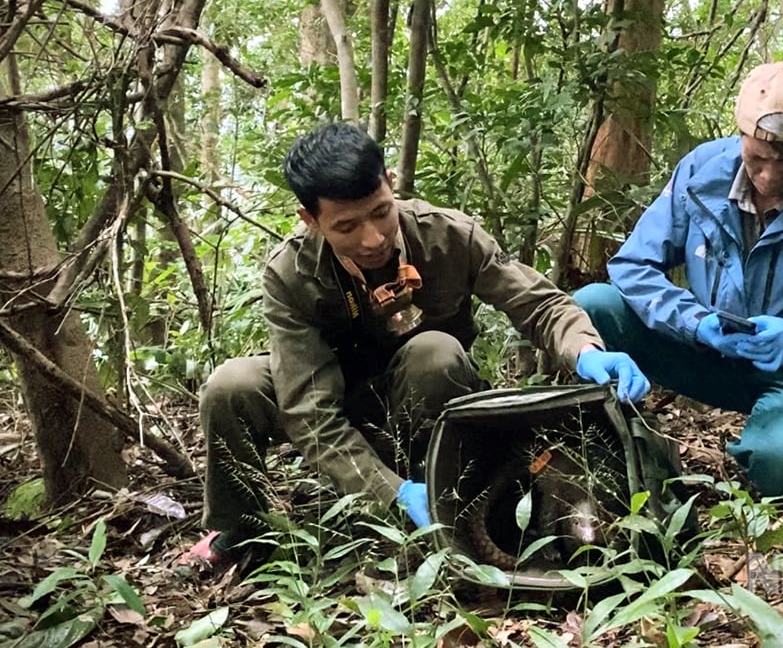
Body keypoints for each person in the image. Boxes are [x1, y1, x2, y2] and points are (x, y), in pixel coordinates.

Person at [182, 122, 650, 568]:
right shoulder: (290, 274)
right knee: (231, 385)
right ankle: (240, 530)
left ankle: (451, 498)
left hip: (427, 398)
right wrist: (389, 491)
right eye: (346, 226)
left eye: (380, 212)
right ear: (311, 220)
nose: (372, 238)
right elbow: (309, 410)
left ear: (390, 183)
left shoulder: (447, 235)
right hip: (337, 398)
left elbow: (538, 303)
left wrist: (586, 349)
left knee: (435, 352)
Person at [574, 61, 783, 497]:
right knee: (592, 307)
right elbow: (633, 266)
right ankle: (615, 442)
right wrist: (695, 323)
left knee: (781, 464)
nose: (769, 174)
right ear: (741, 132)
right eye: (757, 157)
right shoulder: (701, 171)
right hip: (709, 351)